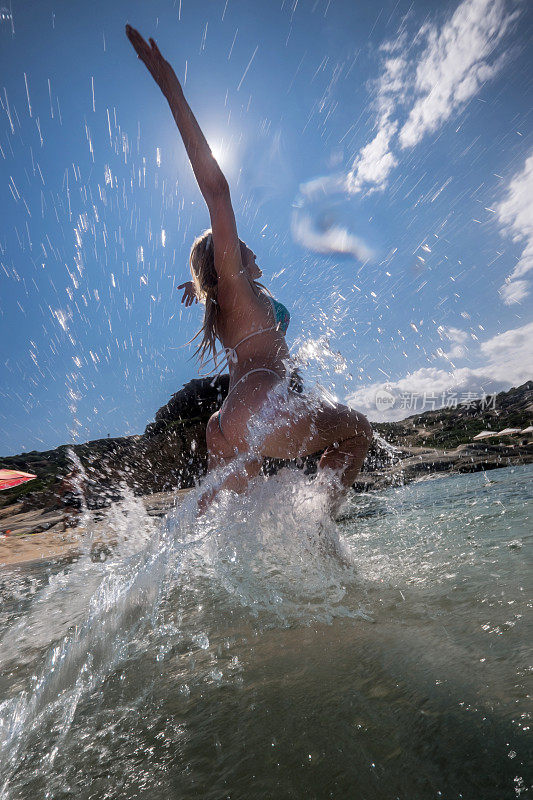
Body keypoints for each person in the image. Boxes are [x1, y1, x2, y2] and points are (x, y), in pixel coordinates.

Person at [126, 26, 372, 513]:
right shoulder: (234, 284)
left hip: (229, 422)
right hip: (258, 407)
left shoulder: (226, 300)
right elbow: (217, 190)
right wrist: (172, 88)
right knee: (359, 431)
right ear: (227, 259)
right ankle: (318, 532)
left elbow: (214, 291)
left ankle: (175, 541)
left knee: (232, 525)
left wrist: (199, 287)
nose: (244, 247)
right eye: (234, 247)